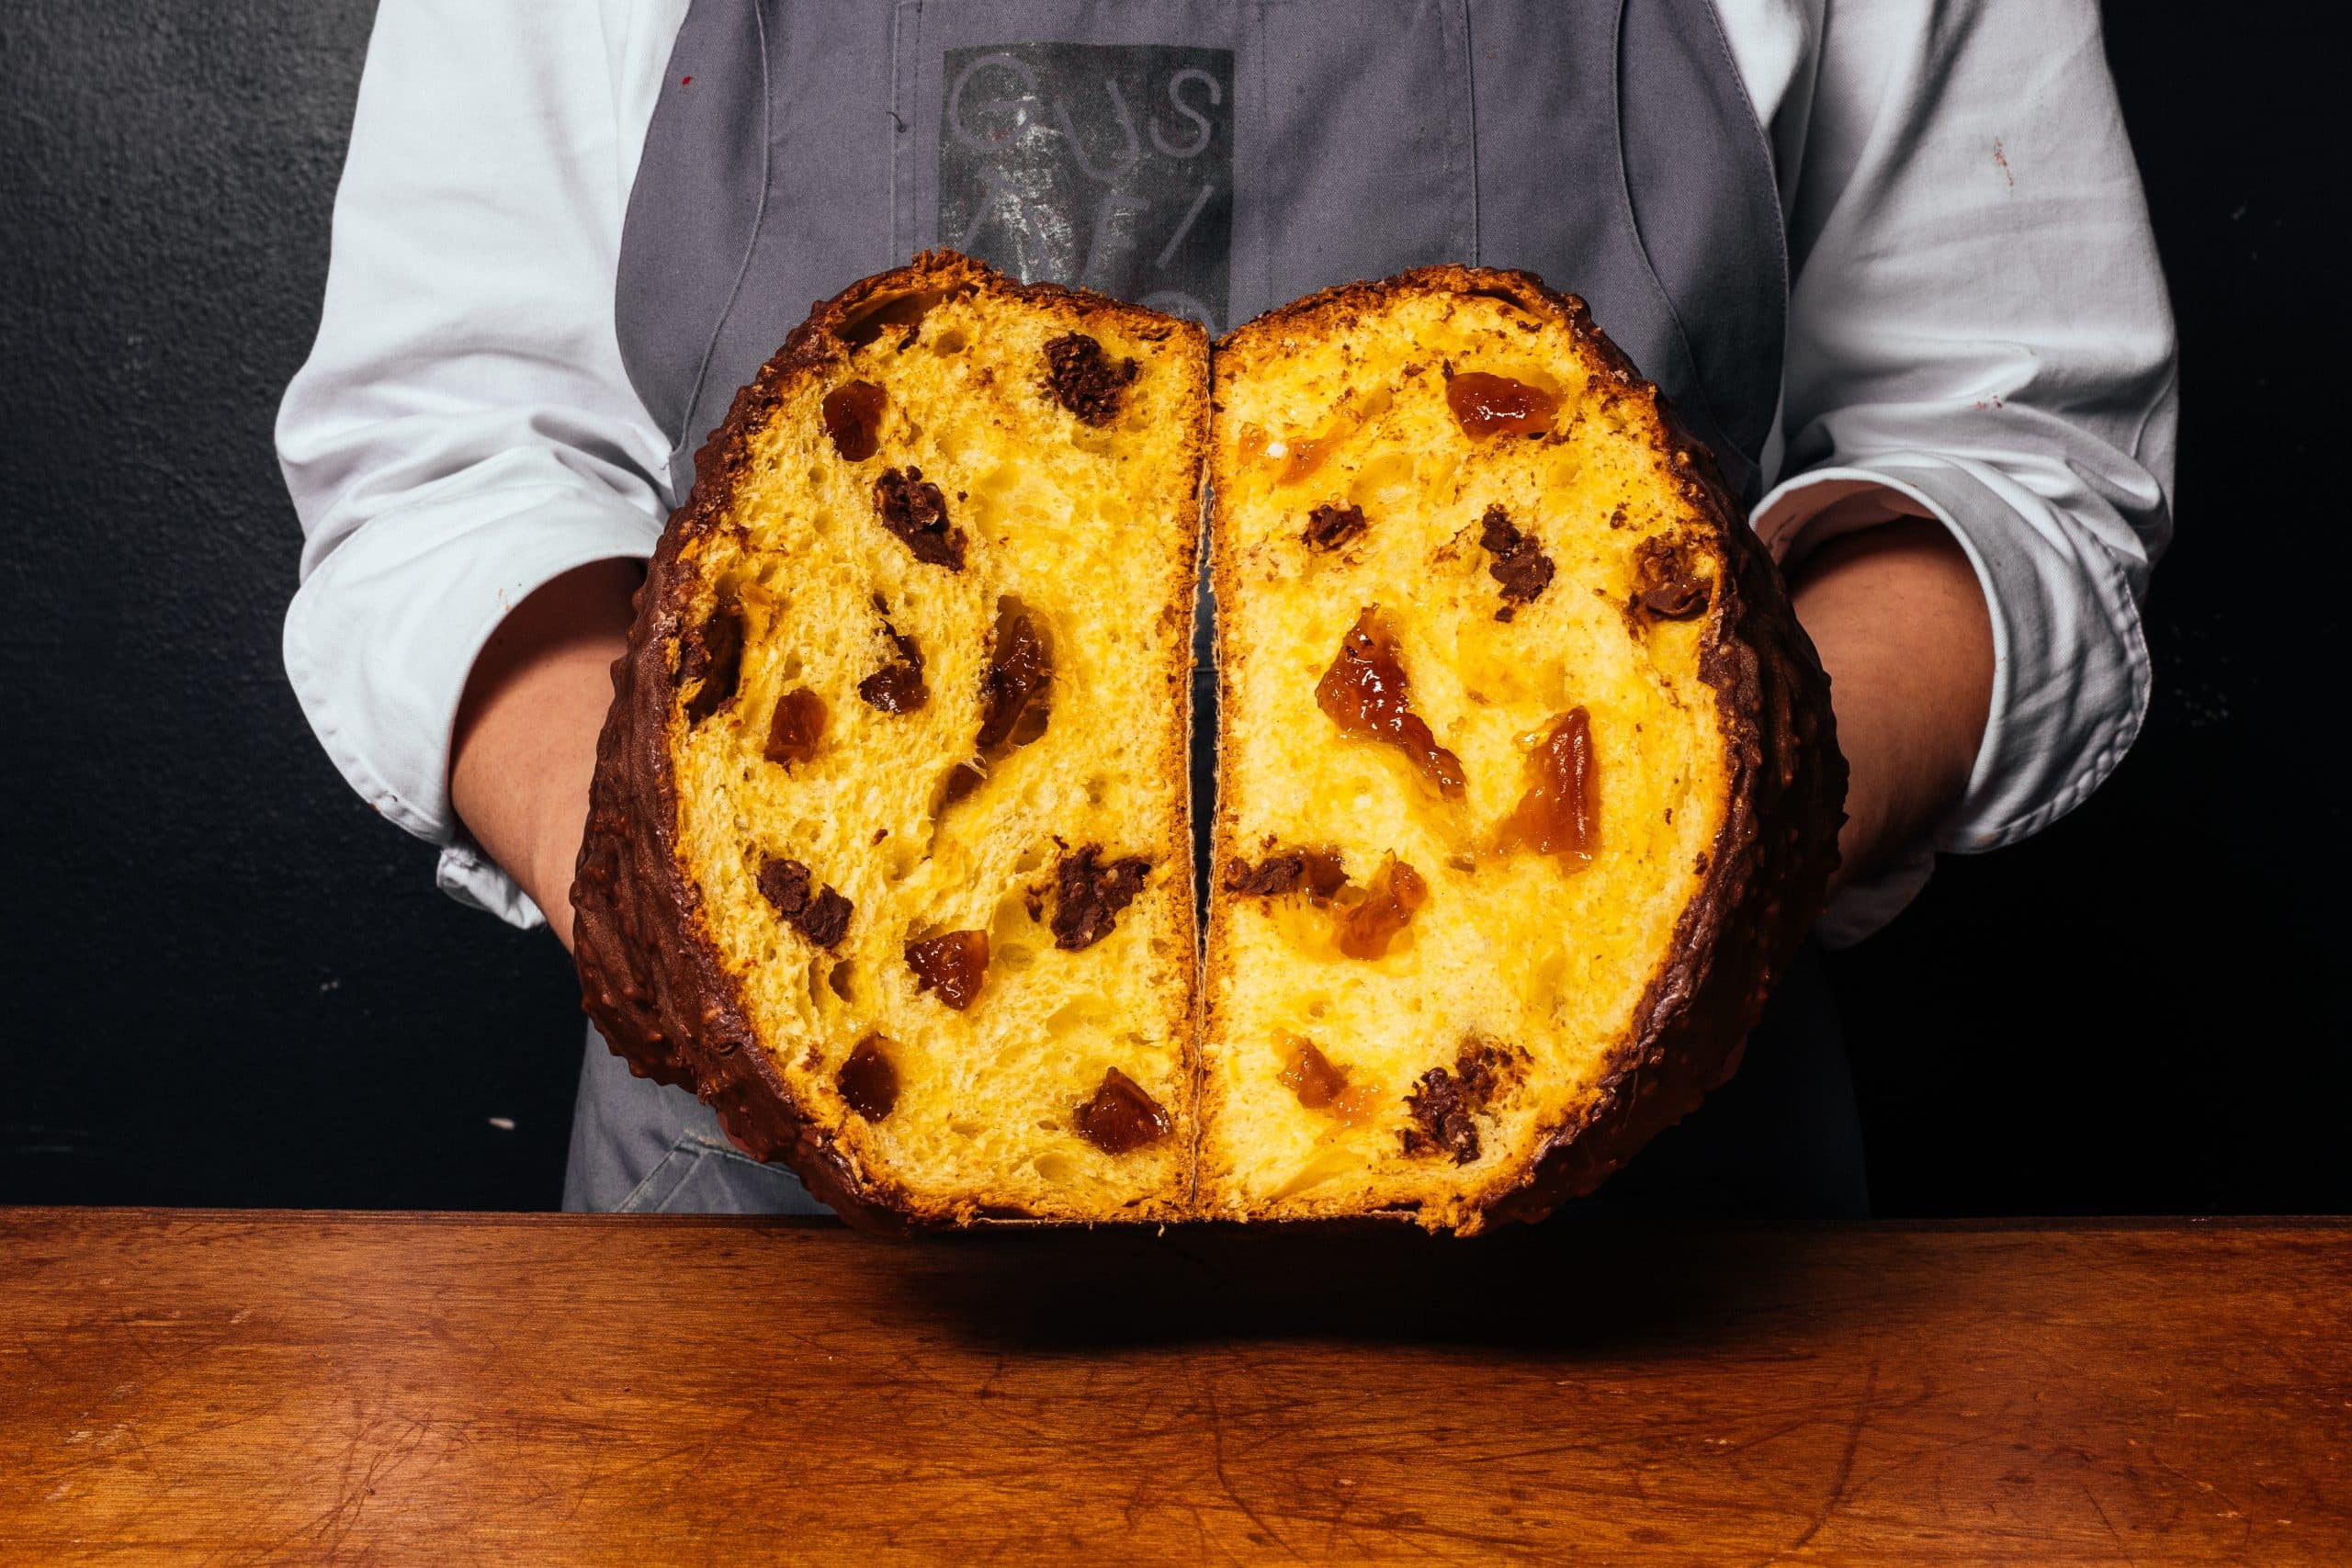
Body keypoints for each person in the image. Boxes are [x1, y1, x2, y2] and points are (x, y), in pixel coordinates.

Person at [278, 0, 2174, 1218]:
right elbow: (452, 463)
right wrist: (723, 946)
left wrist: (1672, 884)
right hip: (782, 1253)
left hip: (1640, 1265)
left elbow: (2011, 452)